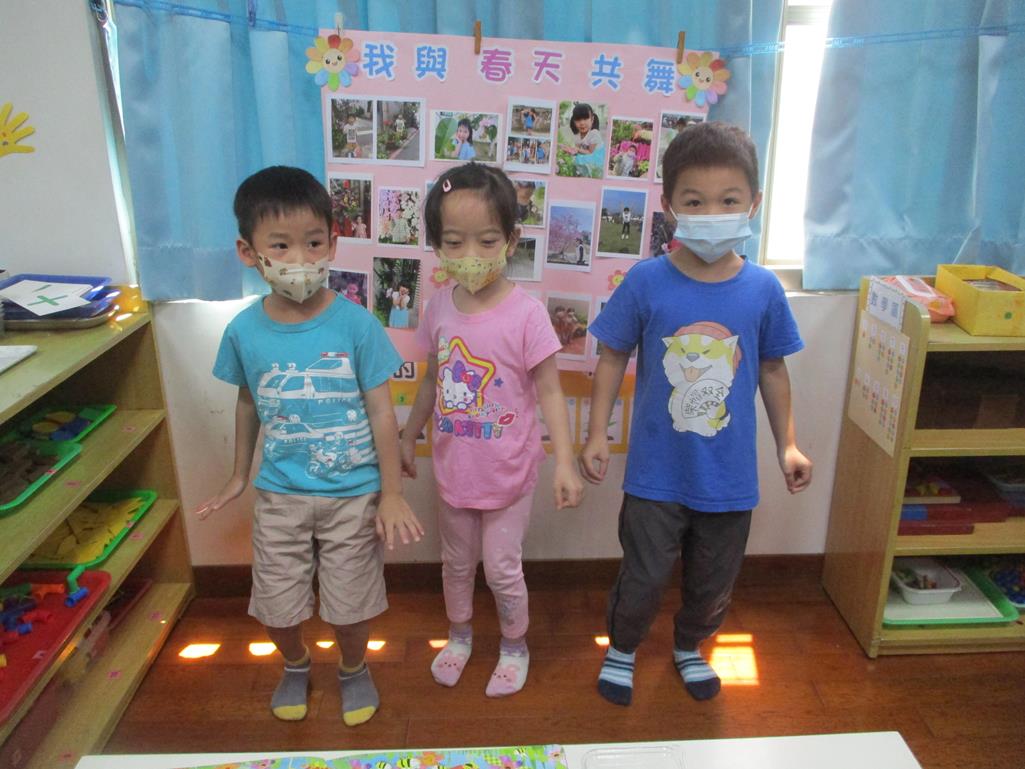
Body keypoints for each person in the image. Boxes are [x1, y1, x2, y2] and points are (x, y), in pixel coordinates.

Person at [580, 122, 813, 707]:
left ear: (753, 203)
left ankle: (690, 646)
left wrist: (788, 444)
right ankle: (622, 649)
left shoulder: (763, 290)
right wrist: (596, 433)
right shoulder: (646, 281)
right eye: (695, 201)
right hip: (655, 474)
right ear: (669, 206)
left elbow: (772, 371)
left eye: (728, 201)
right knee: (643, 575)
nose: (712, 213)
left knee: (713, 583)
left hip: (729, 479)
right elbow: (611, 357)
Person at [196, 166, 424, 727]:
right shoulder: (243, 331)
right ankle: (295, 663)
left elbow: (381, 412)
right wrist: (238, 474)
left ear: (333, 244)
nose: (299, 257)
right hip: (281, 495)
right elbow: (248, 402)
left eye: (314, 242)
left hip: (354, 495)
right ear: (248, 252)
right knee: (276, 604)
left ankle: (353, 667)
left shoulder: (358, 325)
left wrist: (392, 493)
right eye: (281, 245)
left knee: (351, 604)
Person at [400, 162, 584, 698]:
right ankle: (459, 637)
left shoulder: (527, 315)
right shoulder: (438, 307)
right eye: (454, 242)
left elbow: (550, 392)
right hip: (454, 471)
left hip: (509, 473)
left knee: (502, 568)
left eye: (485, 240)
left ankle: (514, 645)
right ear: (437, 244)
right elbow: (432, 379)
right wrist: (409, 435)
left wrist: (565, 462)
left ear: (511, 240)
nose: (470, 254)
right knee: (456, 564)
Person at [559, 103, 604, 177]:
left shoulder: (594, 133)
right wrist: (570, 150)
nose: (582, 123)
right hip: (587, 155)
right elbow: (577, 150)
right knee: (575, 160)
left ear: (592, 119)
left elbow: (590, 152)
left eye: (585, 119)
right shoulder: (577, 135)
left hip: (596, 157)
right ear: (574, 121)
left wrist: (577, 150)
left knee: (583, 163)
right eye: (578, 120)